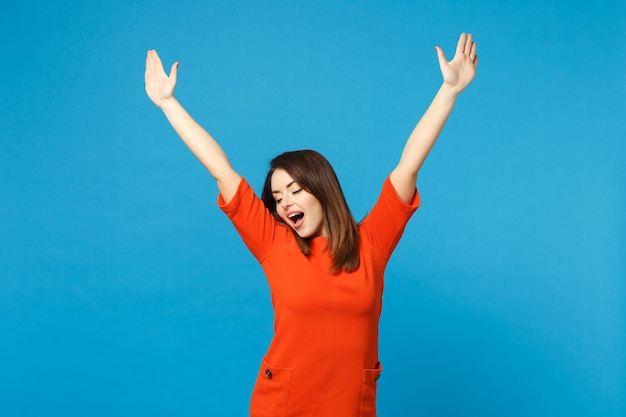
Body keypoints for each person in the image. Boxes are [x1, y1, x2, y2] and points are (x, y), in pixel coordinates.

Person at [145, 33, 477, 417]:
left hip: (352, 406)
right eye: (277, 197)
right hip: (282, 406)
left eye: (295, 190)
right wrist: (168, 103)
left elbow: (409, 166)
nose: (285, 203)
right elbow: (222, 171)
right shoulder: (274, 244)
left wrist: (448, 92)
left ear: (322, 189)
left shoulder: (371, 244)